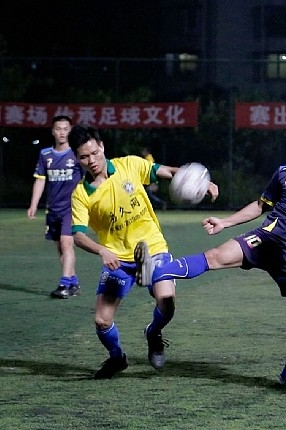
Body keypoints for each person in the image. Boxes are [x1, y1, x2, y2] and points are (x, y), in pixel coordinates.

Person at [136, 116, 286, 386]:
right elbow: (261, 205)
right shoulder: (285, 173)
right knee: (214, 257)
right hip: (267, 240)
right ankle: (155, 271)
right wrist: (225, 222)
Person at [68, 124, 219, 379]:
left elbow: (166, 171)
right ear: (77, 158)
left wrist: (201, 182)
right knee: (102, 320)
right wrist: (102, 251)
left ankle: (153, 332)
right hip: (118, 260)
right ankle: (117, 358)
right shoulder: (82, 194)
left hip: (152, 249)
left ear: (102, 146)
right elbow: (78, 235)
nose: (91, 160)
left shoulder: (129, 165)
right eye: (84, 157)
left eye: (94, 153)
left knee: (167, 301)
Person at [28, 115, 84, 299]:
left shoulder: (77, 154)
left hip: (72, 208)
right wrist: (33, 204)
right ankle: (73, 282)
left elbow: (90, 176)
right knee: (60, 248)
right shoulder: (45, 154)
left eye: (65, 129)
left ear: (70, 131)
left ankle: (64, 284)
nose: (62, 132)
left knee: (67, 244)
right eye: (58, 129)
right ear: (53, 131)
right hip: (53, 209)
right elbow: (40, 180)